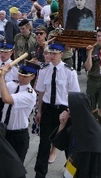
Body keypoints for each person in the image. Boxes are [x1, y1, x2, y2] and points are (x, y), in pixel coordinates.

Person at [34, 43, 80, 178]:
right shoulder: (44, 70)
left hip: (64, 111)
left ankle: (71, 173)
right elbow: (41, 92)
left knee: (68, 146)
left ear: (61, 54)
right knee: (44, 144)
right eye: (50, 53)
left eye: (55, 54)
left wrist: (70, 112)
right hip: (48, 109)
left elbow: (74, 95)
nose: (52, 56)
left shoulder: (69, 71)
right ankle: (40, 173)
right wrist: (39, 111)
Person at [0, 61, 39, 162]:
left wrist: (2, 77)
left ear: (32, 77)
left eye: (24, 76)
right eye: (20, 74)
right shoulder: (12, 85)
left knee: (15, 169)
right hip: (4, 131)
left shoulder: (30, 94)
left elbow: (6, 99)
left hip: (18, 135)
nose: (21, 77)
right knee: (1, 165)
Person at [51, 92, 101, 178]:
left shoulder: (95, 137)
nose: (68, 110)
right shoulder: (75, 125)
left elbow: (98, 173)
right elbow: (59, 144)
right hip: (72, 169)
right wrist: (62, 124)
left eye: (70, 107)